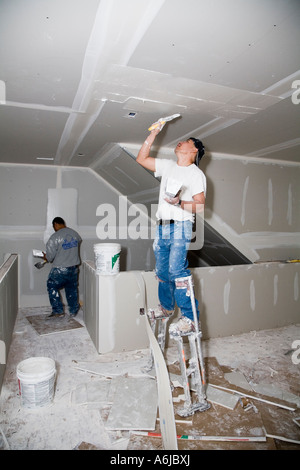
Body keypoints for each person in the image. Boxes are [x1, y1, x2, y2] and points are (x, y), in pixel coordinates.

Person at [136, 123, 206, 336]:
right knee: (162, 272)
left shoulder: (196, 174)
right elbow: (141, 159)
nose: (181, 142)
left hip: (181, 227)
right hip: (163, 227)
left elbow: (200, 205)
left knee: (177, 270)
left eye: (187, 141)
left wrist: (178, 203)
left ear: (194, 150)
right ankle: (166, 307)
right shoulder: (168, 166)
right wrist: (153, 134)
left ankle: (190, 318)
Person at [43, 217, 82, 319]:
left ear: (55, 224)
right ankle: (73, 311)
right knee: (71, 289)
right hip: (73, 268)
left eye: (54, 226)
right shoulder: (74, 234)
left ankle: (58, 310)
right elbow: (76, 243)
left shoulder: (54, 237)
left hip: (59, 269)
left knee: (52, 286)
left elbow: (50, 257)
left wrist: (45, 256)